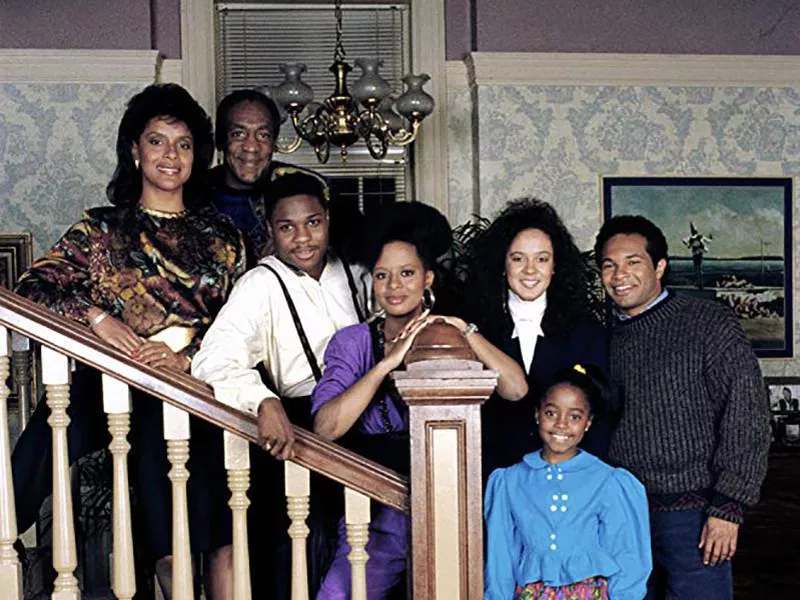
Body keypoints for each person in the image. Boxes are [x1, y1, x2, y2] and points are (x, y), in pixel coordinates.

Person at [11, 83, 246, 598]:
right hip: (111, 380)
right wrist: (98, 319)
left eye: (183, 144)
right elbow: (32, 288)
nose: (171, 156)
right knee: (46, 437)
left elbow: (239, 323)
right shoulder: (101, 229)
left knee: (200, 509)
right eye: (157, 141)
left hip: (192, 388)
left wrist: (186, 357)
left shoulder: (223, 236)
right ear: (135, 151)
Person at [311, 202, 528, 599]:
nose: (394, 286)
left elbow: (516, 388)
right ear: (372, 283)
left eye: (407, 273)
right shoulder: (353, 341)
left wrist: (463, 329)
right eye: (383, 276)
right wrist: (388, 363)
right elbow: (326, 427)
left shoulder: (450, 338)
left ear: (427, 278)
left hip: (450, 503)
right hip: (377, 509)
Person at [191, 170, 370, 598]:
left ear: (327, 218)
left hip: (366, 426)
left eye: (313, 222)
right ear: (270, 230)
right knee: (301, 557)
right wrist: (262, 399)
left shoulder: (359, 272)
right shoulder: (260, 283)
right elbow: (214, 358)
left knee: (368, 553)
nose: (303, 238)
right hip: (301, 428)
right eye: (286, 227)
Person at [595, 215, 770, 600]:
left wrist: (729, 506)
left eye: (632, 262)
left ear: (659, 267)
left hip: (695, 516)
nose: (619, 274)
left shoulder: (708, 323)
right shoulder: (603, 339)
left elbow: (748, 412)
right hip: (623, 515)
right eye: (609, 265)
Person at [463, 198, 610, 479]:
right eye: (518, 258)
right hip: (489, 480)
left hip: (566, 482)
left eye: (542, 259)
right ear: (502, 264)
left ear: (556, 266)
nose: (530, 270)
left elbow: (599, 418)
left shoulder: (585, 330)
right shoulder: (473, 328)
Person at [484, 364, 651, 600]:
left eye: (574, 416)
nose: (561, 424)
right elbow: (500, 554)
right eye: (551, 413)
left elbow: (628, 554)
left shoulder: (609, 481)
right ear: (537, 414)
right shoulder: (509, 480)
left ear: (588, 423)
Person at [210, 89, 329, 265]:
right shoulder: (195, 193)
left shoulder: (305, 188)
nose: (251, 147)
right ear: (221, 140)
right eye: (238, 134)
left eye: (263, 135)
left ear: (274, 144)